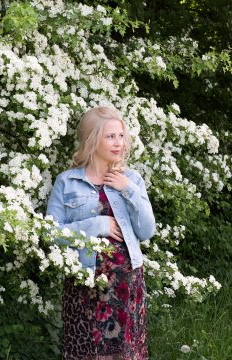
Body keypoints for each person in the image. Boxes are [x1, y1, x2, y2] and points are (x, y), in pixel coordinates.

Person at [46, 106, 156, 360]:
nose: (119, 143)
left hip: (126, 284)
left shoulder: (131, 179)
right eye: (110, 136)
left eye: (120, 135)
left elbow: (147, 230)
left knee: (125, 354)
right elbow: (51, 234)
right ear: (93, 140)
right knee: (85, 352)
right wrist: (99, 225)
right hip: (85, 284)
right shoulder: (67, 182)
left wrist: (128, 189)